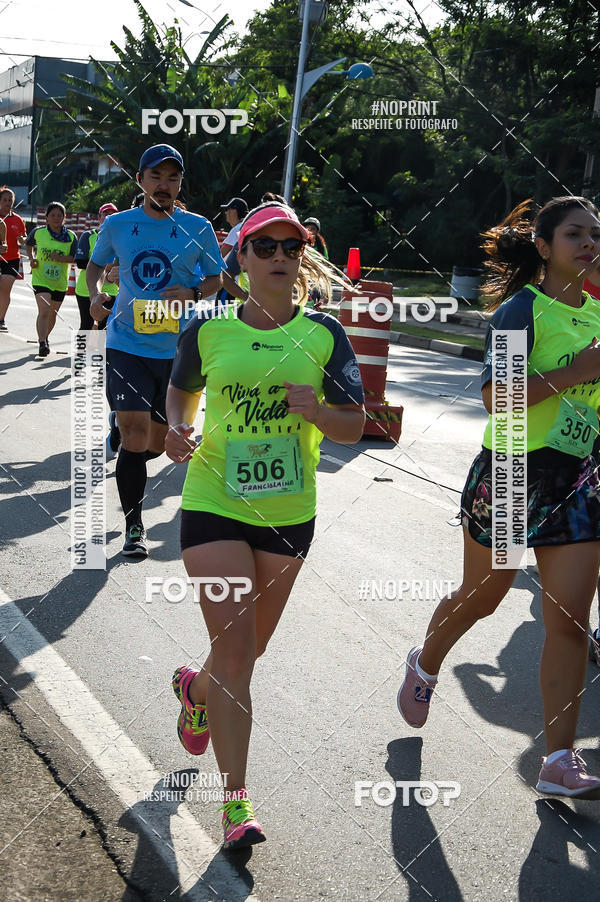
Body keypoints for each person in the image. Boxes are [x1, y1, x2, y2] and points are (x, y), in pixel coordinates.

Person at [165, 201, 365, 849]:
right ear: (241, 259)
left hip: (288, 516)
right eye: (266, 247)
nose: (280, 257)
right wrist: (178, 426)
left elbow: (355, 424)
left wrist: (317, 411)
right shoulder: (208, 327)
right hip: (214, 505)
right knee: (238, 657)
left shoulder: (326, 335)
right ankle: (235, 803)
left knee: (240, 655)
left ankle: (197, 690)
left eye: (291, 246)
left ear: (302, 256)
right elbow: (180, 388)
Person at [397, 196, 600, 799]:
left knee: (568, 620)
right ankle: (426, 661)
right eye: (575, 234)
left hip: (576, 477)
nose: (589, 243)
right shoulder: (521, 310)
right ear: (544, 246)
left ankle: (558, 760)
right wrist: (581, 367)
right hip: (512, 471)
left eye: (595, 234)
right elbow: (498, 396)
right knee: (485, 596)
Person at [86, 143, 223, 557]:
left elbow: (217, 278)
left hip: (177, 351)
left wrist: (195, 290)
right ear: (141, 180)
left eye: (172, 178)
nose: (164, 185)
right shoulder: (118, 225)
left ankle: (128, 436)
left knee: (159, 441)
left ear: (180, 183)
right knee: (133, 434)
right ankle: (134, 527)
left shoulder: (197, 227)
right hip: (126, 345)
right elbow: (95, 265)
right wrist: (95, 295)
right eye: (156, 177)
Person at [25, 202, 77, 357]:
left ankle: (45, 337)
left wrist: (60, 258)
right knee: (44, 310)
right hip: (41, 279)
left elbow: (74, 258)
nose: (56, 218)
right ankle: (42, 343)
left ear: (64, 218)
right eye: (53, 215)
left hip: (59, 282)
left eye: (59, 216)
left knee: (53, 313)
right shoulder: (38, 232)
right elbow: (28, 244)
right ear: (46, 217)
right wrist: (31, 258)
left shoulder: (71, 237)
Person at [74, 203, 119, 331]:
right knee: (86, 325)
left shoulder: (120, 239)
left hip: (110, 291)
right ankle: (80, 352)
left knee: (104, 327)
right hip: (86, 290)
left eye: (112, 215)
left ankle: (98, 351)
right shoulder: (88, 236)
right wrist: (102, 263)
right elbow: (80, 263)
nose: (108, 217)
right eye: (105, 214)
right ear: (99, 217)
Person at [0, 186, 25, 332]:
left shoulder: (18, 220)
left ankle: (1, 319)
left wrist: (22, 239)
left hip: (12, 258)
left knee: (5, 288)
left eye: (10, 200)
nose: (8, 203)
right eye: (5, 200)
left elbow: (23, 239)